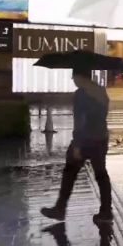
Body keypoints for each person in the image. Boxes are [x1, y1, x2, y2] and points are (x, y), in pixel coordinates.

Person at [41, 67, 113, 223]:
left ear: (81, 77)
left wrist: (78, 145)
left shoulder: (81, 94)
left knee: (69, 172)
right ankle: (106, 212)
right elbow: (102, 114)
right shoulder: (100, 91)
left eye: (74, 77)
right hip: (101, 138)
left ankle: (60, 209)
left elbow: (80, 120)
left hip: (86, 140)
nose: (73, 80)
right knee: (101, 175)